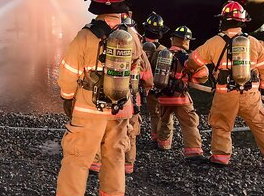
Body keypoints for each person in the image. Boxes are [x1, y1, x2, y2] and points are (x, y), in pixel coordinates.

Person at [50, 0, 146, 196]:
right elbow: (138, 70)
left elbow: (68, 73)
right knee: (114, 153)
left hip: (88, 109)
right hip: (122, 106)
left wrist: (68, 97)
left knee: (78, 155)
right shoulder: (132, 36)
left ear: (96, 3)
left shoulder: (85, 35)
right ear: (122, 3)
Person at [185, 1, 264, 170]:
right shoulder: (254, 43)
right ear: (242, 22)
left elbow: (193, 60)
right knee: (260, 125)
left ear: (223, 21)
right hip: (251, 94)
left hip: (225, 94)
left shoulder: (213, 43)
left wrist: (193, 70)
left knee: (221, 125)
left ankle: (220, 157)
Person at [89, 13, 152, 175]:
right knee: (129, 132)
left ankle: (95, 162)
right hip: (130, 100)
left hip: (105, 94)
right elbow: (148, 78)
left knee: (100, 129)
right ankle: (127, 165)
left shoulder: (105, 44)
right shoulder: (140, 52)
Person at [155, 26, 208, 159]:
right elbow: (203, 74)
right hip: (180, 97)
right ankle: (193, 151)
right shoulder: (186, 57)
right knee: (189, 123)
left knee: (165, 120)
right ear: (185, 41)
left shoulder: (162, 54)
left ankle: (163, 144)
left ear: (173, 39)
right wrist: (191, 78)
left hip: (163, 96)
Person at [141, 11, 169, 143]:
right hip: (157, 89)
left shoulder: (138, 47)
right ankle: (160, 140)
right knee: (159, 114)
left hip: (137, 87)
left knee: (135, 114)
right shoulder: (164, 51)